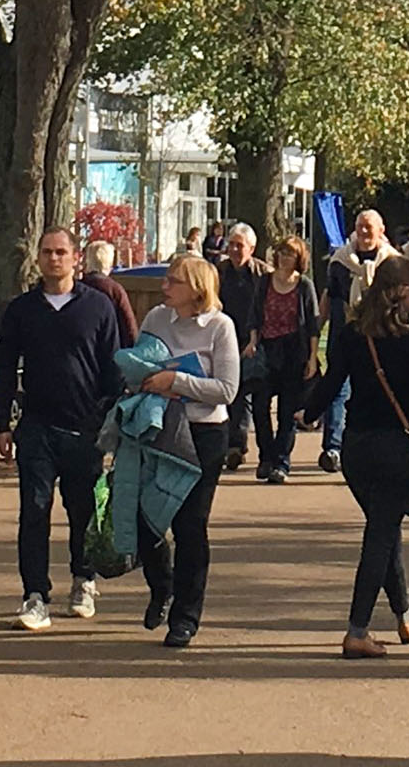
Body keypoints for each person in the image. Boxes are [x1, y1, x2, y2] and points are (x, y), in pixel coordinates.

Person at [0, 226, 123, 632]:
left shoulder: (98, 307)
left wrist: (110, 421)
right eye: (47, 252)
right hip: (36, 426)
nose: (54, 259)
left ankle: (84, 579)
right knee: (34, 510)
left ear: (75, 258)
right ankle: (34, 594)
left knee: (82, 509)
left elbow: (113, 368)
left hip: (85, 427)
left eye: (61, 252)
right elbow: (5, 367)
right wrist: (2, 422)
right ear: (38, 258)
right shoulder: (22, 309)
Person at [309, 253, 409, 658]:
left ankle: (403, 612)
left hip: (356, 447)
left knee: (385, 528)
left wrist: (306, 411)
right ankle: (357, 629)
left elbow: (331, 384)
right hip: (398, 447)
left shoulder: (352, 335)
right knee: (380, 534)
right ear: (403, 293)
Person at [133, 253, 241, 648]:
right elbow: (138, 365)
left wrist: (175, 380)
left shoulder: (220, 327)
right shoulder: (155, 320)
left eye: (173, 281)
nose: (165, 287)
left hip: (203, 432)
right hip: (158, 426)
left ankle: (186, 617)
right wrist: (142, 377)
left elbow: (226, 390)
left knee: (190, 524)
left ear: (196, 289)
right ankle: (162, 586)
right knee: (146, 517)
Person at [320, 210, 398, 473]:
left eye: (369, 227)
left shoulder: (391, 262)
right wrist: (317, 327)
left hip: (381, 336)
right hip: (346, 334)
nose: (364, 233)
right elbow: (330, 296)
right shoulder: (340, 261)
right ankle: (333, 447)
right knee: (338, 387)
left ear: (381, 229)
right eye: (360, 227)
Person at [251, 234, 320, 483]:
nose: (284, 257)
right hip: (267, 350)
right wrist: (252, 342)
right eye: (282, 252)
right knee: (259, 407)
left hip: (294, 351)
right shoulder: (264, 281)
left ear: (299, 258)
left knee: (287, 412)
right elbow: (255, 314)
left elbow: (313, 324)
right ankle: (265, 457)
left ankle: (282, 462)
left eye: (290, 253)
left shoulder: (304, 285)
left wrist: (312, 358)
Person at [211, 223, 266, 471]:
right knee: (231, 394)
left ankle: (240, 446)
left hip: (253, 340)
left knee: (245, 394)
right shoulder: (219, 272)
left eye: (239, 245)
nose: (233, 249)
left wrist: (255, 339)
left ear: (251, 249)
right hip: (223, 339)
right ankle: (234, 445)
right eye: (230, 244)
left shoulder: (263, 274)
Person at [82, 239, 141, 347]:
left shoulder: (79, 287)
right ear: (109, 261)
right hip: (111, 348)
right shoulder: (114, 290)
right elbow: (129, 327)